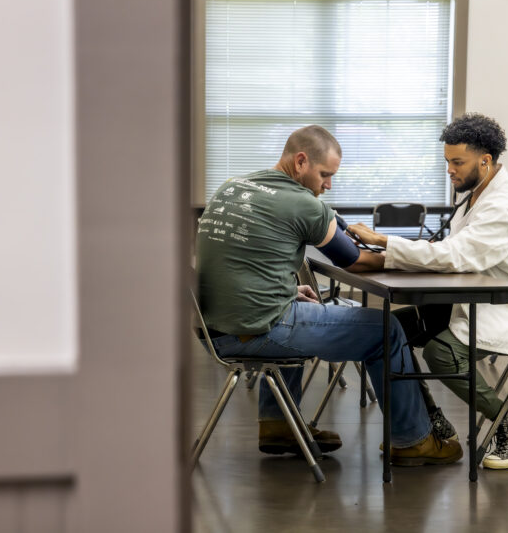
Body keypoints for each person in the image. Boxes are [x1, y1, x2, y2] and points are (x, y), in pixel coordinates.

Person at [196, 125, 462, 466]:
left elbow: (237, 261)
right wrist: (414, 257)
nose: (328, 185)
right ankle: (413, 441)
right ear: (301, 161)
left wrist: (287, 290)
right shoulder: (303, 204)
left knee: (299, 304)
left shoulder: (232, 187)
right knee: (387, 330)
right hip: (253, 333)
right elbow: (353, 260)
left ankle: (279, 426)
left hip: (211, 330)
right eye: (325, 175)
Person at [348, 113, 508, 470]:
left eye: (457, 162)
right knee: (383, 333)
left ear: (486, 160)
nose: (450, 169)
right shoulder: (475, 195)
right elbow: (453, 250)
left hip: (505, 308)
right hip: (464, 299)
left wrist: (385, 243)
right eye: (447, 161)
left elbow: (458, 255)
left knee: (441, 355)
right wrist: (386, 256)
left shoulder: (503, 205)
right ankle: (428, 422)